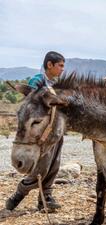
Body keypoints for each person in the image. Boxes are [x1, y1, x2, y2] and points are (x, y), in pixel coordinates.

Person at [6, 51, 65, 211]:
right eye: (60, 65)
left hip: (54, 132)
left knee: (55, 165)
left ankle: (45, 199)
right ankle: (18, 195)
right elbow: (31, 107)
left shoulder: (55, 84)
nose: (62, 69)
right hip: (39, 133)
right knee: (42, 167)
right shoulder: (37, 82)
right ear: (49, 65)